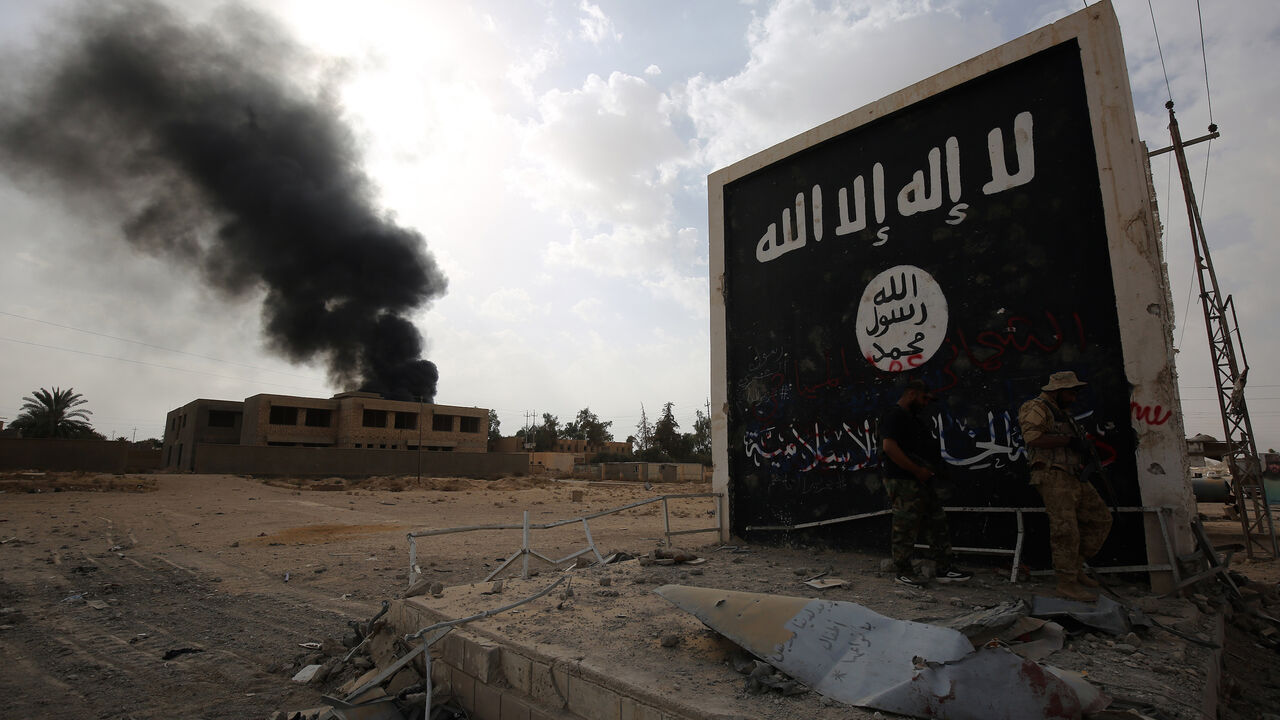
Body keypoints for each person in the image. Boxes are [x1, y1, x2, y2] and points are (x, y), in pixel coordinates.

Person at [1018, 371, 1113, 601]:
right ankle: (1067, 582)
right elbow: (1032, 438)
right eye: (1070, 393)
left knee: (1100, 519)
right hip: (1053, 476)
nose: (1073, 398)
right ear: (1058, 390)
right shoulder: (1037, 407)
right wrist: (1069, 441)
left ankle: (1076, 567)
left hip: (1073, 475)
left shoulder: (1063, 412)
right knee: (1065, 530)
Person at [880, 379, 972, 587]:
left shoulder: (913, 418)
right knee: (905, 525)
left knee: (936, 521)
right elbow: (889, 447)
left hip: (921, 478)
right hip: (904, 479)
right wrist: (916, 470)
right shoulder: (894, 415)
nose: (925, 403)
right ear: (912, 393)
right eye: (923, 398)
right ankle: (903, 571)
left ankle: (944, 568)